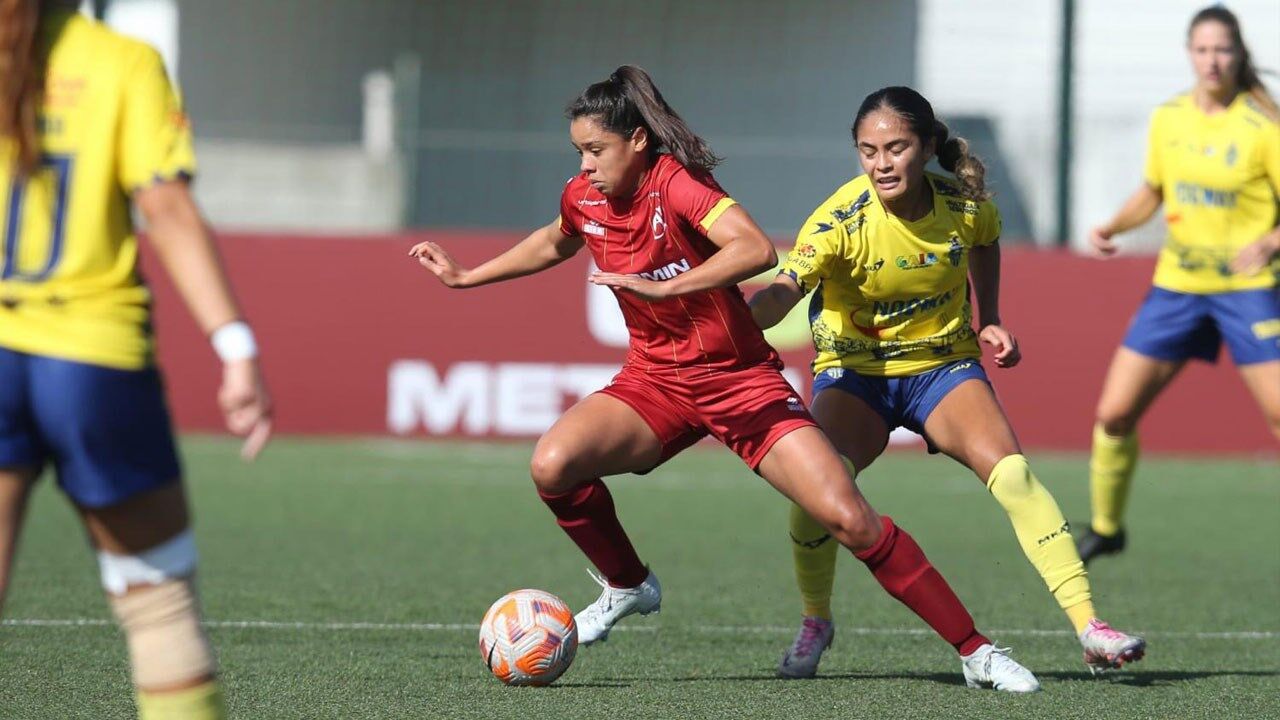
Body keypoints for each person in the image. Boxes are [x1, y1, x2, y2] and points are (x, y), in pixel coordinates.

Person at [412, 65, 1040, 692]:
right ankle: (629, 584)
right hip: (654, 383)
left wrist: (662, 288)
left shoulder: (678, 185)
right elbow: (557, 239)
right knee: (553, 465)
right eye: (579, 151)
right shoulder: (584, 195)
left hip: (740, 383)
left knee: (849, 518)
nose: (586, 164)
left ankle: (977, 651)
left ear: (636, 142)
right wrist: (468, 277)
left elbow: (756, 250)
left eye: (596, 149)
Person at [748, 86, 1147, 680]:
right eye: (867, 151)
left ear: (927, 146)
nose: (881, 163)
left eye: (896, 147)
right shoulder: (840, 219)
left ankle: (1091, 628)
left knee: (1014, 475)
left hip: (942, 366)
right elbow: (784, 289)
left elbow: (984, 243)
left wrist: (991, 318)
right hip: (857, 376)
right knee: (818, 496)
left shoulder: (966, 205)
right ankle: (816, 620)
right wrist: (738, 316)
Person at [0, 3, 272, 718]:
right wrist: (236, 347)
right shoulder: (122, 62)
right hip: (93, 363)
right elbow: (169, 210)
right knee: (157, 605)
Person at [1076, 5, 1279, 564]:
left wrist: (1269, 240)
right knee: (1114, 414)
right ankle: (1105, 526)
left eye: (1223, 49)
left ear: (1239, 55)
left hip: (1248, 288)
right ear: (1190, 54)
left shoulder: (1264, 125)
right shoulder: (1169, 117)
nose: (1213, 60)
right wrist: (1115, 224)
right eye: (1203, 49)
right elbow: (1154, 190)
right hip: (1178, 287)